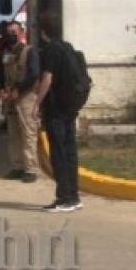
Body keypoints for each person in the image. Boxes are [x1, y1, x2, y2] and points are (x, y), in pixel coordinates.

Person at [33, 13, 82, 213]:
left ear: (43, 30)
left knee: (59, 153)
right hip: (70, 106)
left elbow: (47, 78)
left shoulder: (50, 50)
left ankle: (63, 199)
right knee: (70, 152)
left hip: (56, 109)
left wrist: (37, 103)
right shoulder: (67, 47)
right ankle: (74, 196)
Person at [0, 21, 40, 183]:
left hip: (26, 97)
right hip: (10, 97)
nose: (11, 35)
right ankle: (17, 166)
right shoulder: (6, 53)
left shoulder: (30, 51)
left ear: (21, 32)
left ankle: (30, 169)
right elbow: (1, 74)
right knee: (13, 134)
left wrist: (19, 90)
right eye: (9, 32)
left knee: (28, 132)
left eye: (14, 31)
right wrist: (2, 89)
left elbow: (33, 74)